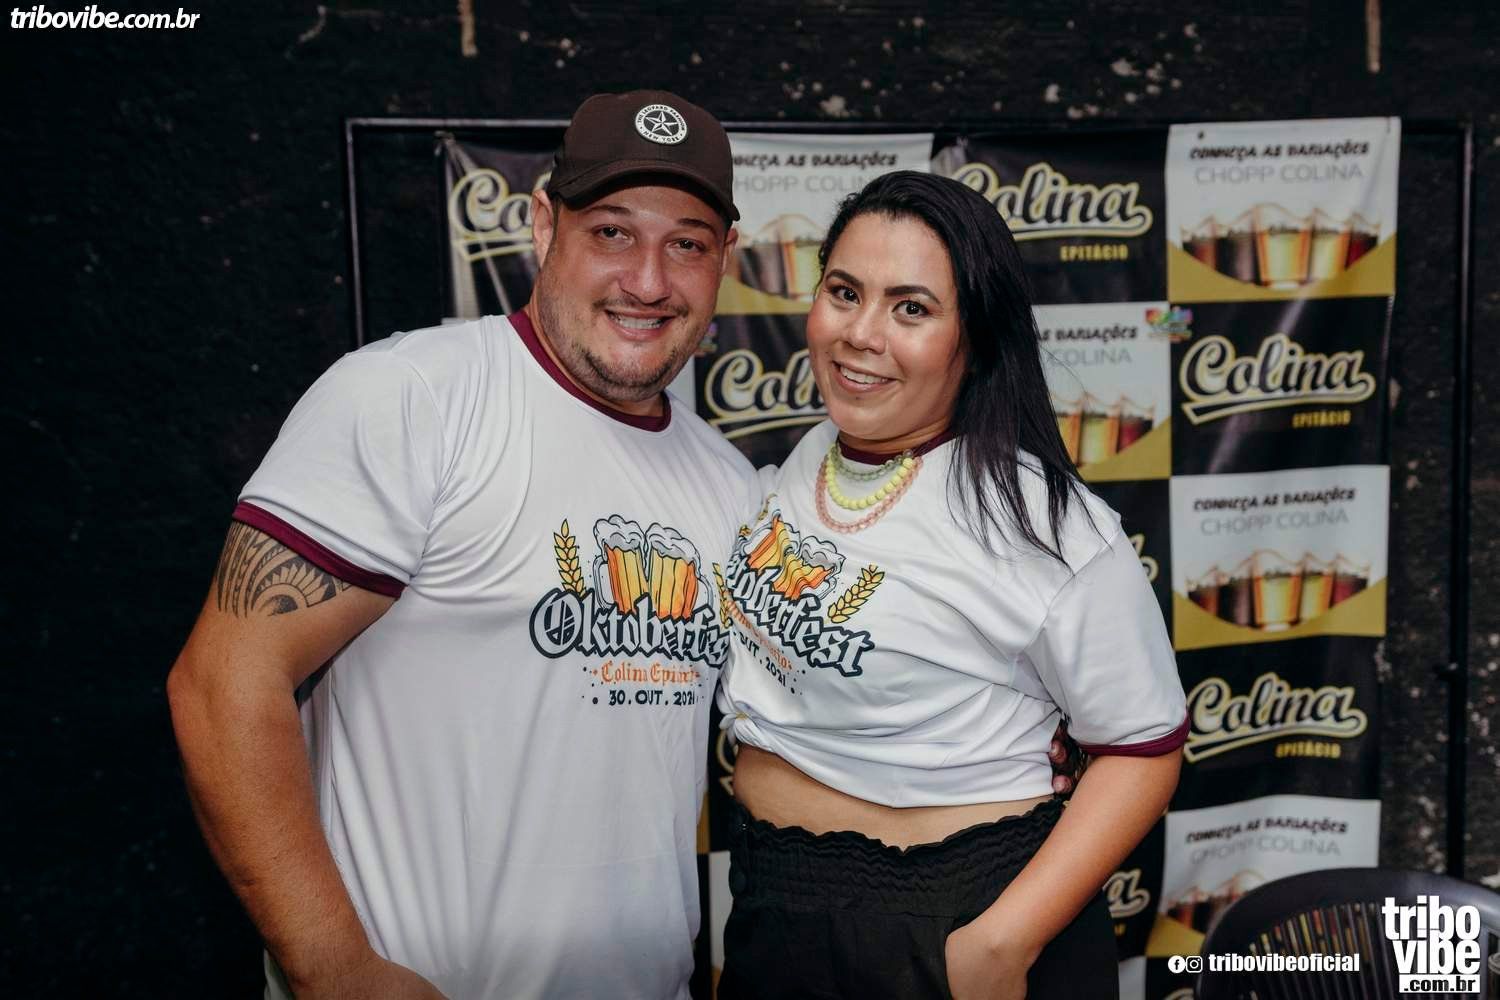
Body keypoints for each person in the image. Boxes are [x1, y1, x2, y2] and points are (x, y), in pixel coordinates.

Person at [167, 90, 759, 999]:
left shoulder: (727, 481)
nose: (648, 281)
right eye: (611, 232)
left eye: (687, 243)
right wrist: (338, 972)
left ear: (726, 257)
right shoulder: (413, 398)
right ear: (543, 224)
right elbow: (222, 686)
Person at [714, 170, 1188, 1000]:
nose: (861, 335)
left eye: (912, 309)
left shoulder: (1044, 521)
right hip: (776, 907)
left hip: (960, 920)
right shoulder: (799, 466)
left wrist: (1002, 942)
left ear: (975, 339)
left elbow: (1143, 749)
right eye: (844, 292)